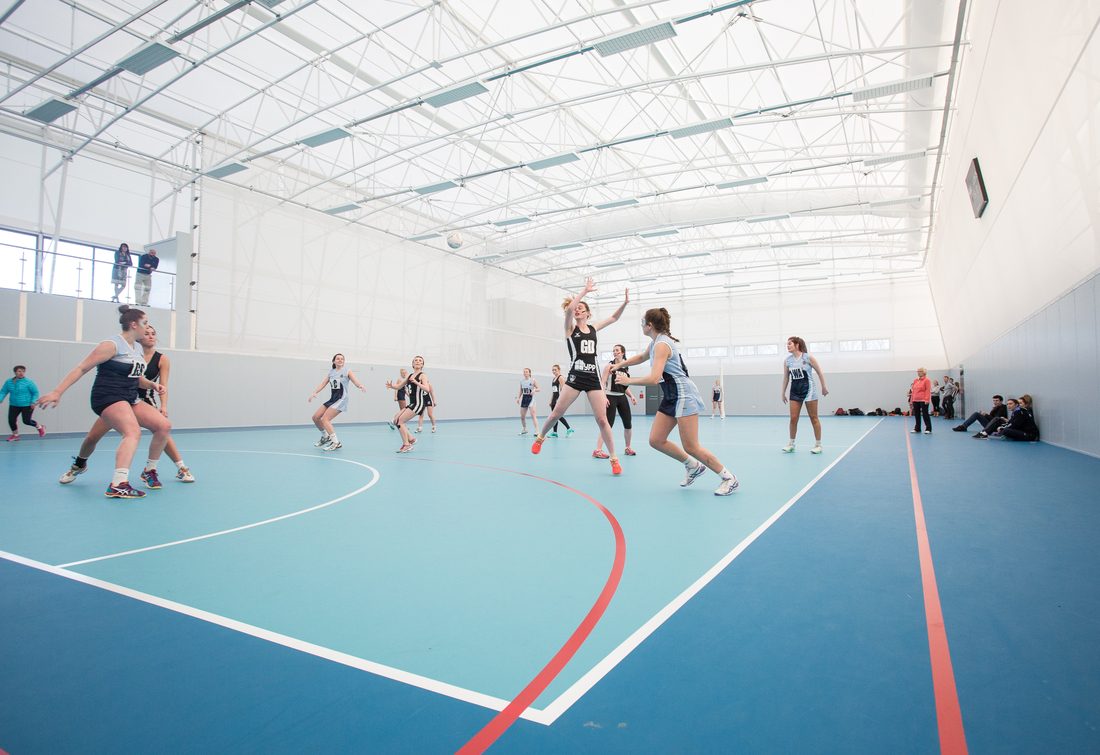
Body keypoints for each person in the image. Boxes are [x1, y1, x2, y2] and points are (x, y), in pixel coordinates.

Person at [38, 305, 170, 498]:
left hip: (129, 398)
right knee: (132, 431)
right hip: (108, 397)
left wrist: (152, 385)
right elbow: (81, 368)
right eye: (145, 323)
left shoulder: (136, 350)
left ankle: (82, 465)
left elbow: (137, 378)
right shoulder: (112, 345)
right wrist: (57, 392)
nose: (147, 328)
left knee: (163, 426)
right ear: (134, 324)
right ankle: (118, 484)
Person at [611, 307, 739, 495]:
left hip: (683, 395)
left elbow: (654, 378)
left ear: (650, 325)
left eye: (642, 322)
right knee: (656, 440)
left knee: (691, 446)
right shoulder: (655, 342)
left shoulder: (663, 345)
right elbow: (641, 357)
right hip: (671, 395)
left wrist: (628, 380)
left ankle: (729, 478)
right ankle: (693, 466)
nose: (641, 325)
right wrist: (620, 364)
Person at [59, 325, 195, 484]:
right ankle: (79, 465)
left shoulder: (162, 359)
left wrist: (163, 406)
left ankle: (176, 468)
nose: (150, 336)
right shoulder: (128, 351)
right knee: (92, 437)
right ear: (138, 336)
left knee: (163, 428)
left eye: (153, 334)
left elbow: (163, 385)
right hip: (118, 401)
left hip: (143, 401)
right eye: (146, 333)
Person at [530, 279, 626, 476]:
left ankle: (614, 459)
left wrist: (624, 303)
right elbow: (568, 310)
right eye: (576, 308)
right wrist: (584, 292)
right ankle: (541, 437)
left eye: (582, 308)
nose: (577, 310)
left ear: (588, 313)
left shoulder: (593, 328)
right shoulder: (569, 329)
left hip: (593, 379)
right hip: (575, 376)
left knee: (602, 420)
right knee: (556, 412)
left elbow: (614, 318)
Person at [780, 336, 830, 453]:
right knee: (793, 418)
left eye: (790, 344)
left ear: (797, 345)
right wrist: (783, 392)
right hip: (794, 391)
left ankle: (818, 445)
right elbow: (786, 377)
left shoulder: (808, 358)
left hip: (809, 391)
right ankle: (791, 444)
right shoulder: (787, 361)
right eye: (787, 344)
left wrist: (823, 386)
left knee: (813, 418)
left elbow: (819, 372)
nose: (787, 346)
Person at [308, 353, 366, 451]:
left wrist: (360, 386)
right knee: (315, 417)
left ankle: (336, 443)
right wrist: (315, 392)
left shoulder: (347, 371)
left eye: (342, 359)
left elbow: (355, 381)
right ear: (334, 361)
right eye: (338, 359)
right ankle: (325, 437)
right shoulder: (331, 372)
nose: (340, 360)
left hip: (341, 399)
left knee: (325, 419)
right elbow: (323, 383)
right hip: (333, 399)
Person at [593, 345, 638, 457]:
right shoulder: (609, 366)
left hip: (622, 397)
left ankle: (628, 448)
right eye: (613, 350)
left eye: (617, 350)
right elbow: (602, 383)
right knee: (607, 424)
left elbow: (625, 386)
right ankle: (597, 450)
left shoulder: (626, 367)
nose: (615, 352)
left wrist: (631, 396)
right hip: (610, 397)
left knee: (628, 423)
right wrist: (603, 397)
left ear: (623, 352)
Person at [387, 355, 432, 453]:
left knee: (400, 421)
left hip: (418, 403)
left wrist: (416, 382)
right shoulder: (410, 375)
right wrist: (391, 386)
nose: (418, 361)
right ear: (412, 364)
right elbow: (399, 386)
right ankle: (411, 438)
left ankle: (407, 445)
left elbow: (427, 389)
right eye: (416, 360)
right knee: (395, 420)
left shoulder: (422, 375)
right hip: (412, 403)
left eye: (420, 361)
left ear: (422, 364)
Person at [2, 365, 44, 441]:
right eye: (19, 371)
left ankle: (40, 426)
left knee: (26, 421)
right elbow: (3, 392)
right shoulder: (9, 382)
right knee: (11, 420)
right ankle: (15, 435)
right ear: (15, 372)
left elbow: (35, 393)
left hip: (27, 405)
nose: (21, 373)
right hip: (14, 405)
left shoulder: (29, 382)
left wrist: (33, 402)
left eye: (23, 371)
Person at [546, 364, 573, 438]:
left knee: (557, 416)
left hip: (559, 399)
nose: (554, 371)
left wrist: (560, 400)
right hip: (554, 400)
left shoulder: (560, 378)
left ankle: (569, 429)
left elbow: (563, 390)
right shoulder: (554, 379)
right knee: (554, 417)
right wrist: (551, 400)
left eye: (555, 370)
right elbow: (554, 391)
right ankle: (555, 433)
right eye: (553, 370)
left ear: (559, 370)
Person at [516, 368, 540, 435]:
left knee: (533, 415)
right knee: (522, 416)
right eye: (524, 372)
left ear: (529, 373)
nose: (525, 373)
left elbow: (539, 388)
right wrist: (518, 398)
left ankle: (537, 431)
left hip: (531, 398)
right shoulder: (521, 381)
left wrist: (534, 390)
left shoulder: (533, 380)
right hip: (524, 398)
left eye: (526, 372)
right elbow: (521, 390)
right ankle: (524, 429)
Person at [909, 367, 933, 434]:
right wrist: (911, 400)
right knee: (917, 414)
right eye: (918, 371)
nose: (918, 372)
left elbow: (928, 390)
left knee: (925, 414)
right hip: (915, 400)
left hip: (923, 400)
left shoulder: (927, 380)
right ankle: (917, 428)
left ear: (924, 372)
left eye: (920, 371)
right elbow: (913, 391)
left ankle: (928, 428)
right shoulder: (915, 380)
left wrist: (927, 399)